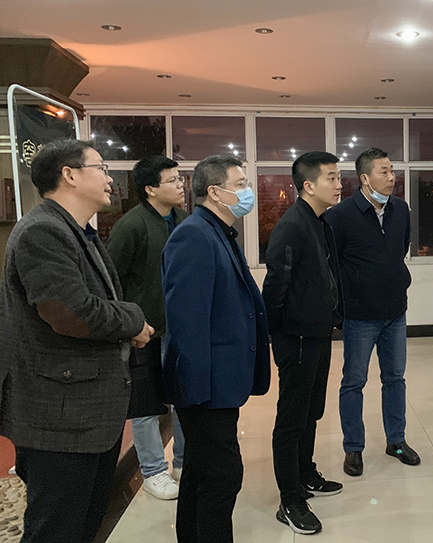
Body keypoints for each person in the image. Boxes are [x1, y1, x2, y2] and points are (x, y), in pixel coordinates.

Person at [0, 139, 154, 542]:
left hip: (86, 414)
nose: (109, 178)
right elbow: (71, 313)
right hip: (60, 417)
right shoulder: (43, 231)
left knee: (84, 525)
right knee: (57, 529)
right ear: (69, 175)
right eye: (101, 168)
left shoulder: (78, 231)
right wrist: (134, 320)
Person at [162, 155, 270, 543]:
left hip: (218, 381)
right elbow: (187, 321)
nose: (248, 191)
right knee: (223, 476)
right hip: (204, 387)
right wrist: (197, 392)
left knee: (200, 470)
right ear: (215, 192)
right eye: (240, 184)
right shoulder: (194, 236)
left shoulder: (219, 231)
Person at [324, 147, 418, 479]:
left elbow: (400, 249)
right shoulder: (340, 216)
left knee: (395, 379)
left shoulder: (400, 209)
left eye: (392, 171)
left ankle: (396, 441)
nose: (392, 177)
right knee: (354, 381)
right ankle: (354, 448)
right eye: (384, 171)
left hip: (395, 311)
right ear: (364, 178)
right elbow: (333, 265)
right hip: (359, 316)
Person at [263, 151, 344, 535]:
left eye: (339, 177)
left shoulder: (319, 222)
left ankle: (305, 473)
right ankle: (290, 499)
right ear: (308, 185)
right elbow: (276, 285)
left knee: (312, 411)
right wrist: (278, 331)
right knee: (291, 419)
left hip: (317, 331)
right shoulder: (292, 226)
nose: (339, 184)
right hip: (295, 335)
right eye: (332, 178)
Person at [107, 156, 187, 501]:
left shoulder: (183, 219)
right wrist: (128, 323)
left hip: (179, 327)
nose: (181, 185)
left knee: (183, 398)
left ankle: (183, 462)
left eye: (180, 178)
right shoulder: (131, 226)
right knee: (146, 405)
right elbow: (112, 280)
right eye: (173, 180)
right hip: (144, 331)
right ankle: (154, 470)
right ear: (150, 189)